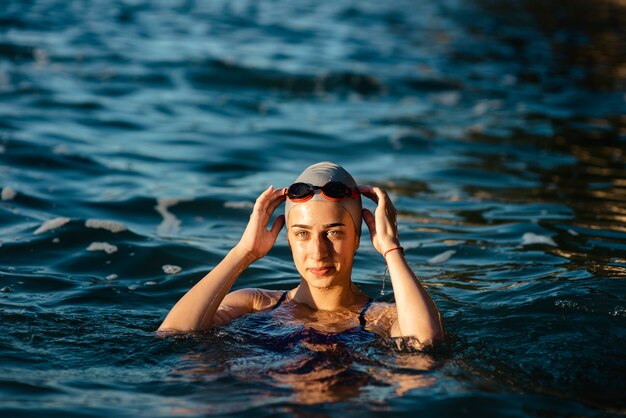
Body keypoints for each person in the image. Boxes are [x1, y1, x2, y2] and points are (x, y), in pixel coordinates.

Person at [158, 162, 444, 347]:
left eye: (334, 233)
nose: (318, 253)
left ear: (358, 237)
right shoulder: (255, 304)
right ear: (289, 239)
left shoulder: (383, 318)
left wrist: (391, 250)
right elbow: (174, 335)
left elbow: (424, 343)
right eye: (303, 234)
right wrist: (243, 253)